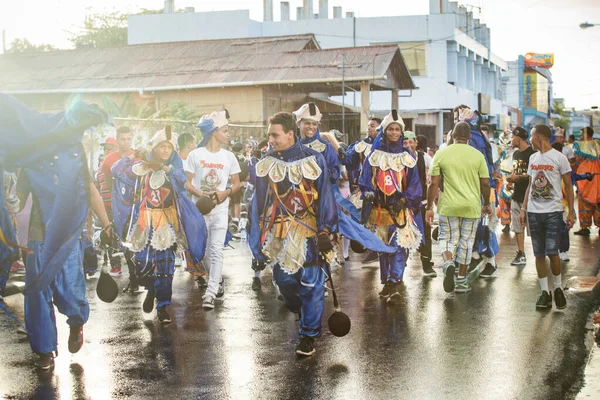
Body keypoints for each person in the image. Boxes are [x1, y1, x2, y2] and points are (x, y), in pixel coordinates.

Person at [0, 94, 110, 370]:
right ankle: (45, 349)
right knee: (36, 290)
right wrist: (13, 202)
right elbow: (22, 194)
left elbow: (89, 189)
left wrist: (106, 223)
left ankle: (76, 322)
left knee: (70, 290)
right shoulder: (32, 155)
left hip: (67, 233)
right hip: (39, 233)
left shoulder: (74, 155)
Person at [249, 112, 337, 356]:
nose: (272, 140)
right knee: (285, 282)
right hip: (280, 231)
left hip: (309, 230)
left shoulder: (315, 159)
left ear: (290, 134)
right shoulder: (266, 163)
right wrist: (255, 240)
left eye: (275, 135)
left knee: (311, 283)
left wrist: (326, 230)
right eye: (269, 136)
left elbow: (326, 195)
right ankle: (301, 309)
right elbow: (257, 202)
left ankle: (308, 335)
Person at [112, 126, 206, 323]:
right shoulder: (141, 166)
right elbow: (117, 171)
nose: (165, 150)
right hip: (144, 222)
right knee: (142, 263)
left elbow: (181, 180)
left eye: (168, 147)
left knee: (165, 266)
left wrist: (164, 168)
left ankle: (163, 306)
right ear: (154, 148)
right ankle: (151, 289)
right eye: (161, 146)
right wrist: (132, 157)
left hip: (167, 223)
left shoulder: (175, 167)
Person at [359, 111, 423, 303]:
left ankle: (395, 281)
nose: (394, 133)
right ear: (385, 131)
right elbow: (365, 179)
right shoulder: (374, 155)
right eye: (391, 129)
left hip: (400, 210)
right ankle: (387, 281)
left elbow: (414, 184)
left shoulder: (407, 157)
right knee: (383, 247)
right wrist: (368, 192)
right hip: (380, 210)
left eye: (397, 129)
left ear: (401, 132)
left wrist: (404, 200)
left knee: (398, 247)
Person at [426, 122, 492, 293]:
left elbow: (433, 183)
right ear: (469, 137)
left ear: (453, 136)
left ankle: (448, 263)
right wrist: (486, 203)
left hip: (448, 206)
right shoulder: (478, 156)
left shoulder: (441, 154)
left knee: (446, 238)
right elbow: (485, 183)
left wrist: (429, 207)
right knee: (466, 242)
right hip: (471, 207)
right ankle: (461, 280)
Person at [185, 110, 241, 310]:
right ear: (214, 132)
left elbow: (237, 183)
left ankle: (210, 294)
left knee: (216, 250)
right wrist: (200, 194)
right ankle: (216, 281)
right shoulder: (195, 155)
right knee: (201, 253)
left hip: (220, 210)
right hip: (199, 211)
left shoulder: (229, 157)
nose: (228, 135)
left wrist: (225, 193)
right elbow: (186, 182)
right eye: (225, 131)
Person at [518, 124, 574, 310]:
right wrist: (524, 209)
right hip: (534, 213)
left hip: (553, 212)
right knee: (539, 253)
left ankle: (557, 288)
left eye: (532, 136)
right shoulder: (533, 158)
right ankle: (544, 292)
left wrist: (571, 212)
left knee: (552, 251)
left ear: (540, 137)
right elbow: (530, 185)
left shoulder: (560, 158)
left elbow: (568, 185)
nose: (530, 140)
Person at [455, 106, 499, 278]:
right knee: (484, 225)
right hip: (483, 191)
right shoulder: (480, 137)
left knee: (484, 225)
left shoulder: (472, 139)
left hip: (480, 192)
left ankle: (488, 259)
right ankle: (483, 258)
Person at [345, 117, 382, 264]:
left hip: (381, 190)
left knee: (378, 222)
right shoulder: (360, 145)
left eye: (372, 126)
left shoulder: (386, 147)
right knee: (361, 218)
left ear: (379, 128)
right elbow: (349, 160)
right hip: (363, 188)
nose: (369, 128)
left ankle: (377, 250)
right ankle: (367, 246)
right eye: (368, 126)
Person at [99, 126, 134, 277]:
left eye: (128, 139)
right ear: (117, 139)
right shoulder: (108, 160)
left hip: (133, 207)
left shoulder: (139, 156)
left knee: (133, 239)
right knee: (113, 236)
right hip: (113, 206)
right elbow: (107, 183)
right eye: (122, 139)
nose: (126, 142)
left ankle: (134, 275)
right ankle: (115, 266)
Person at [404, 132, 436, 276]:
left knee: (425, 235)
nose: (408, 145)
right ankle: (399, 270)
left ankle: (427, 264)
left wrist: (432, 202)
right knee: (402, 237)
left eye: (411, 142)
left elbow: (435, 177)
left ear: (416, 142)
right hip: (403, 205)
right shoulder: (397, 159)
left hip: (422, 203)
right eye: (405, 142)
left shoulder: (424, 158)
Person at [507, 127, 535, 266]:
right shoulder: (516, 154)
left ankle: (542, 253)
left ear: (518, 138)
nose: (511, 140)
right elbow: (516, 171)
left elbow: (532, 176)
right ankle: (521, 253)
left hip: (531, 197)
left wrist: (516, 178)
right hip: (517, 195)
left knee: (534, 229)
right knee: (518, 226)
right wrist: (511, 182)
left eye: (512, 137)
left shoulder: (533, 154)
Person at [573, 127, 600, 236]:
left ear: (586, 134)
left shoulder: (580, 145)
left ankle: (585, 227)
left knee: (584, 202)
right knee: (598, 200)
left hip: (585, 176)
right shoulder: (597, 144)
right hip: (597, 176)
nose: (580, 136)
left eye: (581, 134)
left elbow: (578, 160)